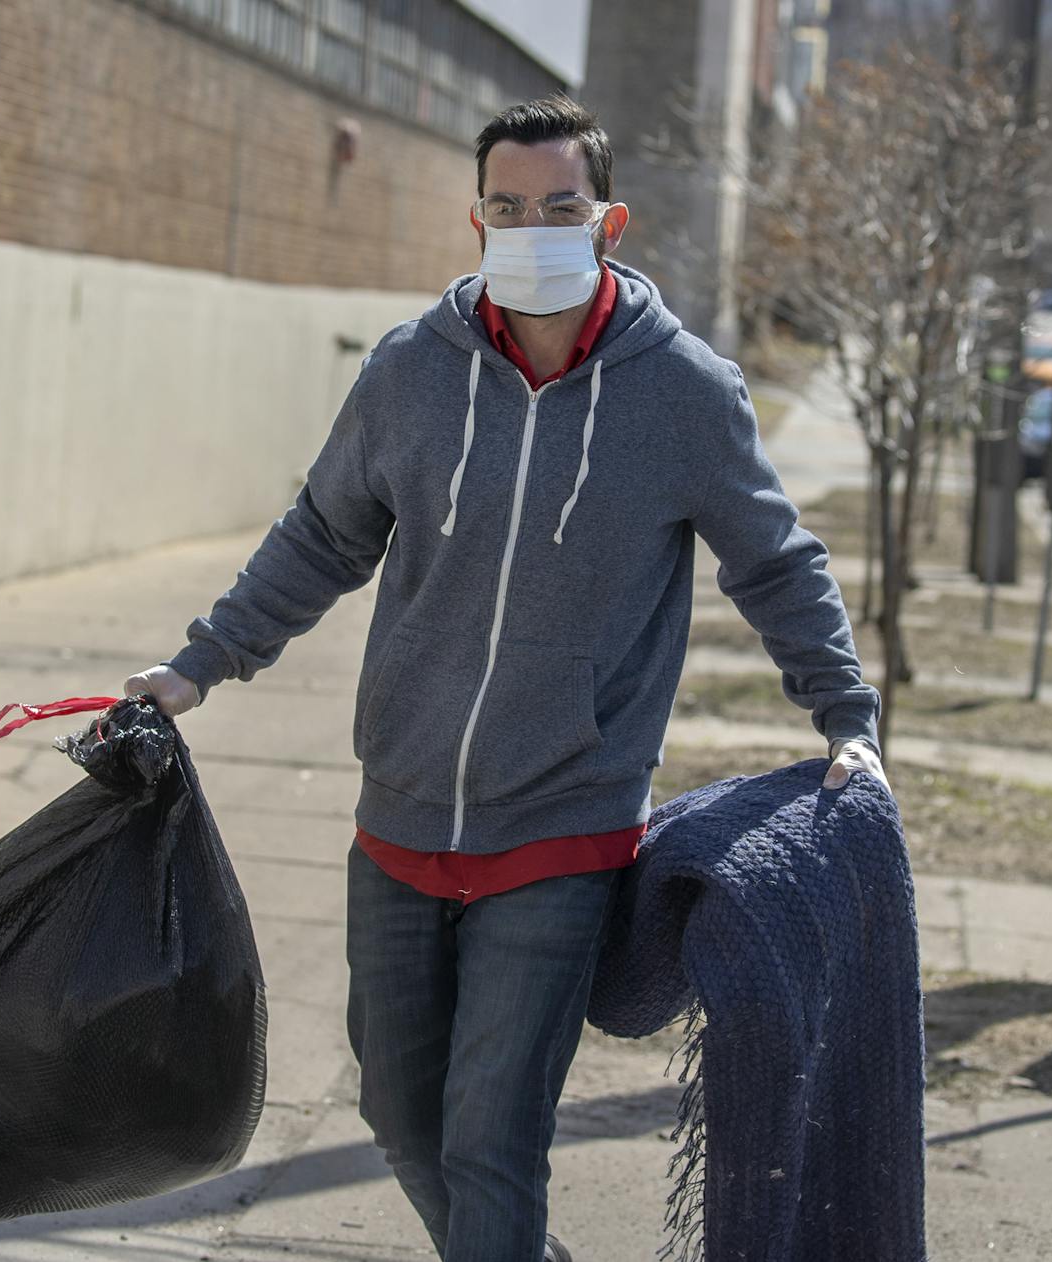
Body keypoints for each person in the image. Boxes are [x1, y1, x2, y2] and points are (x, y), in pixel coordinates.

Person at [125, 95, 888, 1262]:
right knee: (397, 1108)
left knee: (489, 1135)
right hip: (400, 806)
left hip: (561, 821)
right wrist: (199, 663)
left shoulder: (684, 393)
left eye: (560, 205)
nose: (533, 224)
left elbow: (774, 562)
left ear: (608, 222)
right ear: (476, 223)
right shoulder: (407, 373)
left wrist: (844, 714)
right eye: (508, 206)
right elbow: (322, 536)